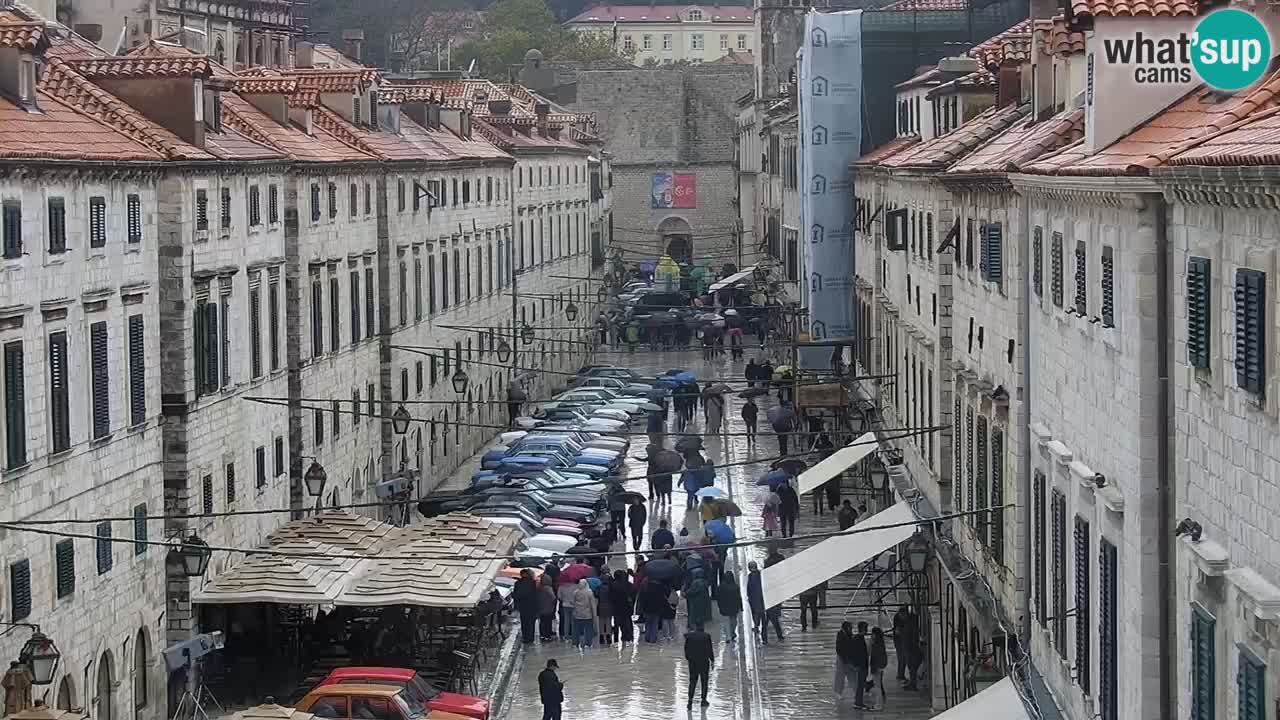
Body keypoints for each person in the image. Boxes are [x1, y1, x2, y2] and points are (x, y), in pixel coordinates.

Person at [683, 626, 715, 709]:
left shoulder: (689, 636)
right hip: (704, 662)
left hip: (693, 662)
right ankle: (703, 700)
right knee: (704, 682)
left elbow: (686, 649)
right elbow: (710, 649)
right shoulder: (707, 636)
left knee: (692, 681)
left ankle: (690, 701)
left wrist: (689, 658)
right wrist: (712, 660)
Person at [894, 604, 921, 689]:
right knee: (908, 664)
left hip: (910, 648)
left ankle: (912, 683)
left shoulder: (909, 623)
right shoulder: (908, 621)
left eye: (901, 616)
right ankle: (910, 681)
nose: (901, 617)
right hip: (908, 646)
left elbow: (909, 636)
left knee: (910, 665)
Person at [834, 621, 860, 702]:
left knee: (852, 676)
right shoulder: (842, 636)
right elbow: (840, 650)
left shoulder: (847, 635)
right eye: (850, 628)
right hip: (843, 659)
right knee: (841, 676)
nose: (851, 629)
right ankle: (838, 692)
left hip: (848, 659)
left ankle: (856, 692)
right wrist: (846, 660)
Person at [513, 569, 539, 644]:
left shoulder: (518, 583)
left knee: (524, 622)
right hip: (532, 605)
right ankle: (531, 637)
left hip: (523, 605)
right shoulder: (533, 583)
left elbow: (515, 595)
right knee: (531, 622)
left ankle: (526, 637)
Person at [717, 569, 742, 642]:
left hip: (724, 607)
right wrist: (741, 607)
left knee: (726, 621)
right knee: (733, 620)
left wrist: (719, 606)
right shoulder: (736, 587)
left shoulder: (721, 587)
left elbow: (718, 597)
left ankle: (728, 636)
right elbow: (739, 598)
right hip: (734, 607)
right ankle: (732, 632)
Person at [610, 569, 635, 643]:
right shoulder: (628, 585)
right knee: (627, 621)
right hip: (626, 606)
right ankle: (628, 636)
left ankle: (616, 638)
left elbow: (610, 596)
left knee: (617, 623)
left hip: (616, 607)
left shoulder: (613, 585)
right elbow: (633, 594)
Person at [572, 578, 598, 647]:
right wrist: (594, 614)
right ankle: (588, 643)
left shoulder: (575, 592)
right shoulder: (589, 593)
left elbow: (573, 602)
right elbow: (592, 605)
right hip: (587, 614)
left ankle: (575, 643)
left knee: (576, 630)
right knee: (588, 629)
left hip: (577, 614)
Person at [746, 561, 767, 642]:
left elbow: (749, 588)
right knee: (763, 619)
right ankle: (764, 636)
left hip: (755, 601)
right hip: (762, 601)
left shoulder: (751, 576)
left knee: (756, 615)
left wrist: (749, 597)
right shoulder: (761, 574)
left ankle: (756, 627)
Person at [870, 626, 889, 708]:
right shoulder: (880, 643)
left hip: (877, 667)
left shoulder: (876, 644)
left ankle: (879, 704)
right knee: (878, 686)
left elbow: (876, 657)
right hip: (879, 667)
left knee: (877, 687)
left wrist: (875, 667)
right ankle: (879, 703)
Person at [557, 573, 578, 639]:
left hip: (565, 605)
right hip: (573, 605)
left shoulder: (561, 586)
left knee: (566, 621)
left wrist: (564, 599)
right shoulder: (575, 586)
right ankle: (573, 634)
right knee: (573, 621)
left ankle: (566, 635)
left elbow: (559, 596)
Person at [537, 574, 557, 642]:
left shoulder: (539, 587)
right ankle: (547, 636)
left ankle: (542, 635)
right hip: (548, 607)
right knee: (548, 622)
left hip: (540, 607)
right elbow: (553, 597)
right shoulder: (548, 588)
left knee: (542, 621)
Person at [597, 574, 614, 645]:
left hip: (601, 605)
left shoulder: (599, 587)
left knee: (601, 622)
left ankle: (601, 637)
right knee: (608, 621)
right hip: (609, 605)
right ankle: (608, 637)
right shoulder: (610, 588)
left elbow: (596, 595)